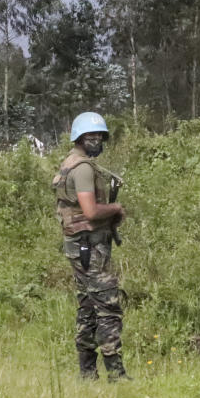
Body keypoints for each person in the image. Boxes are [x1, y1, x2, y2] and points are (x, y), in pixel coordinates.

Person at [52, 112, 129, 381]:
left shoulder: (71, 163)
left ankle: (87, 373)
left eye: (99, 136)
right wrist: (116, 208)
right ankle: (116, 374)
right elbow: (91, 211)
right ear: (79, 138)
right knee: (108, 305)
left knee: (87, 307)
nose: (96, 141)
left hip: (82, 246)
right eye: (91, 136)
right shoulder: (83, 168)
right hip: (89, 247)